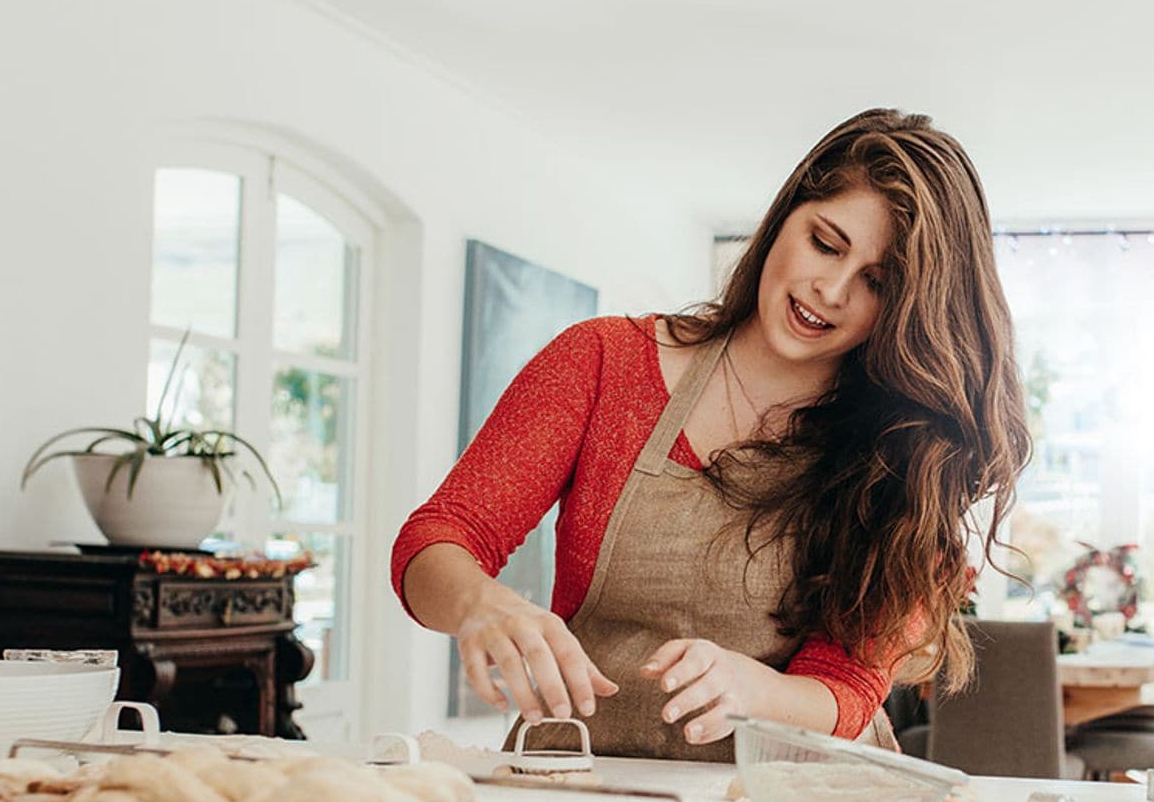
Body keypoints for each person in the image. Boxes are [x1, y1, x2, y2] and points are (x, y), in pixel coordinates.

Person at [392, 108, 1030, 761]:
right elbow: (440, 537)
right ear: (786, 216)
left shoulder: (904, 451)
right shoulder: (604, 362)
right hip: (582, 780)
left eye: (876, 281)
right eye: (825, 243)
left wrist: (757, 690)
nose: (830, 290)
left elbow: (849, 688)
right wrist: (478, 602)